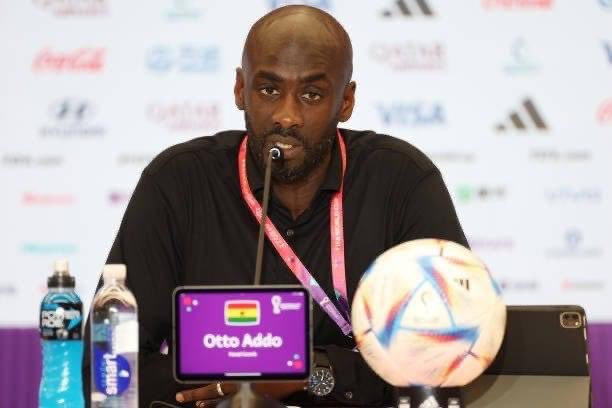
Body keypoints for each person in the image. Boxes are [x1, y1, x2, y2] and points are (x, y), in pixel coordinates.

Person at [83, 5, 468, 407]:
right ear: (240, 89)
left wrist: (311, 372)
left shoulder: (401, 182)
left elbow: (449, 355)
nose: (287, 116)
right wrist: (229, 378)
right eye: (269, 90)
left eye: (312, 94)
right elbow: (105, 369)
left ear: (346, 101)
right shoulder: (178, 184)